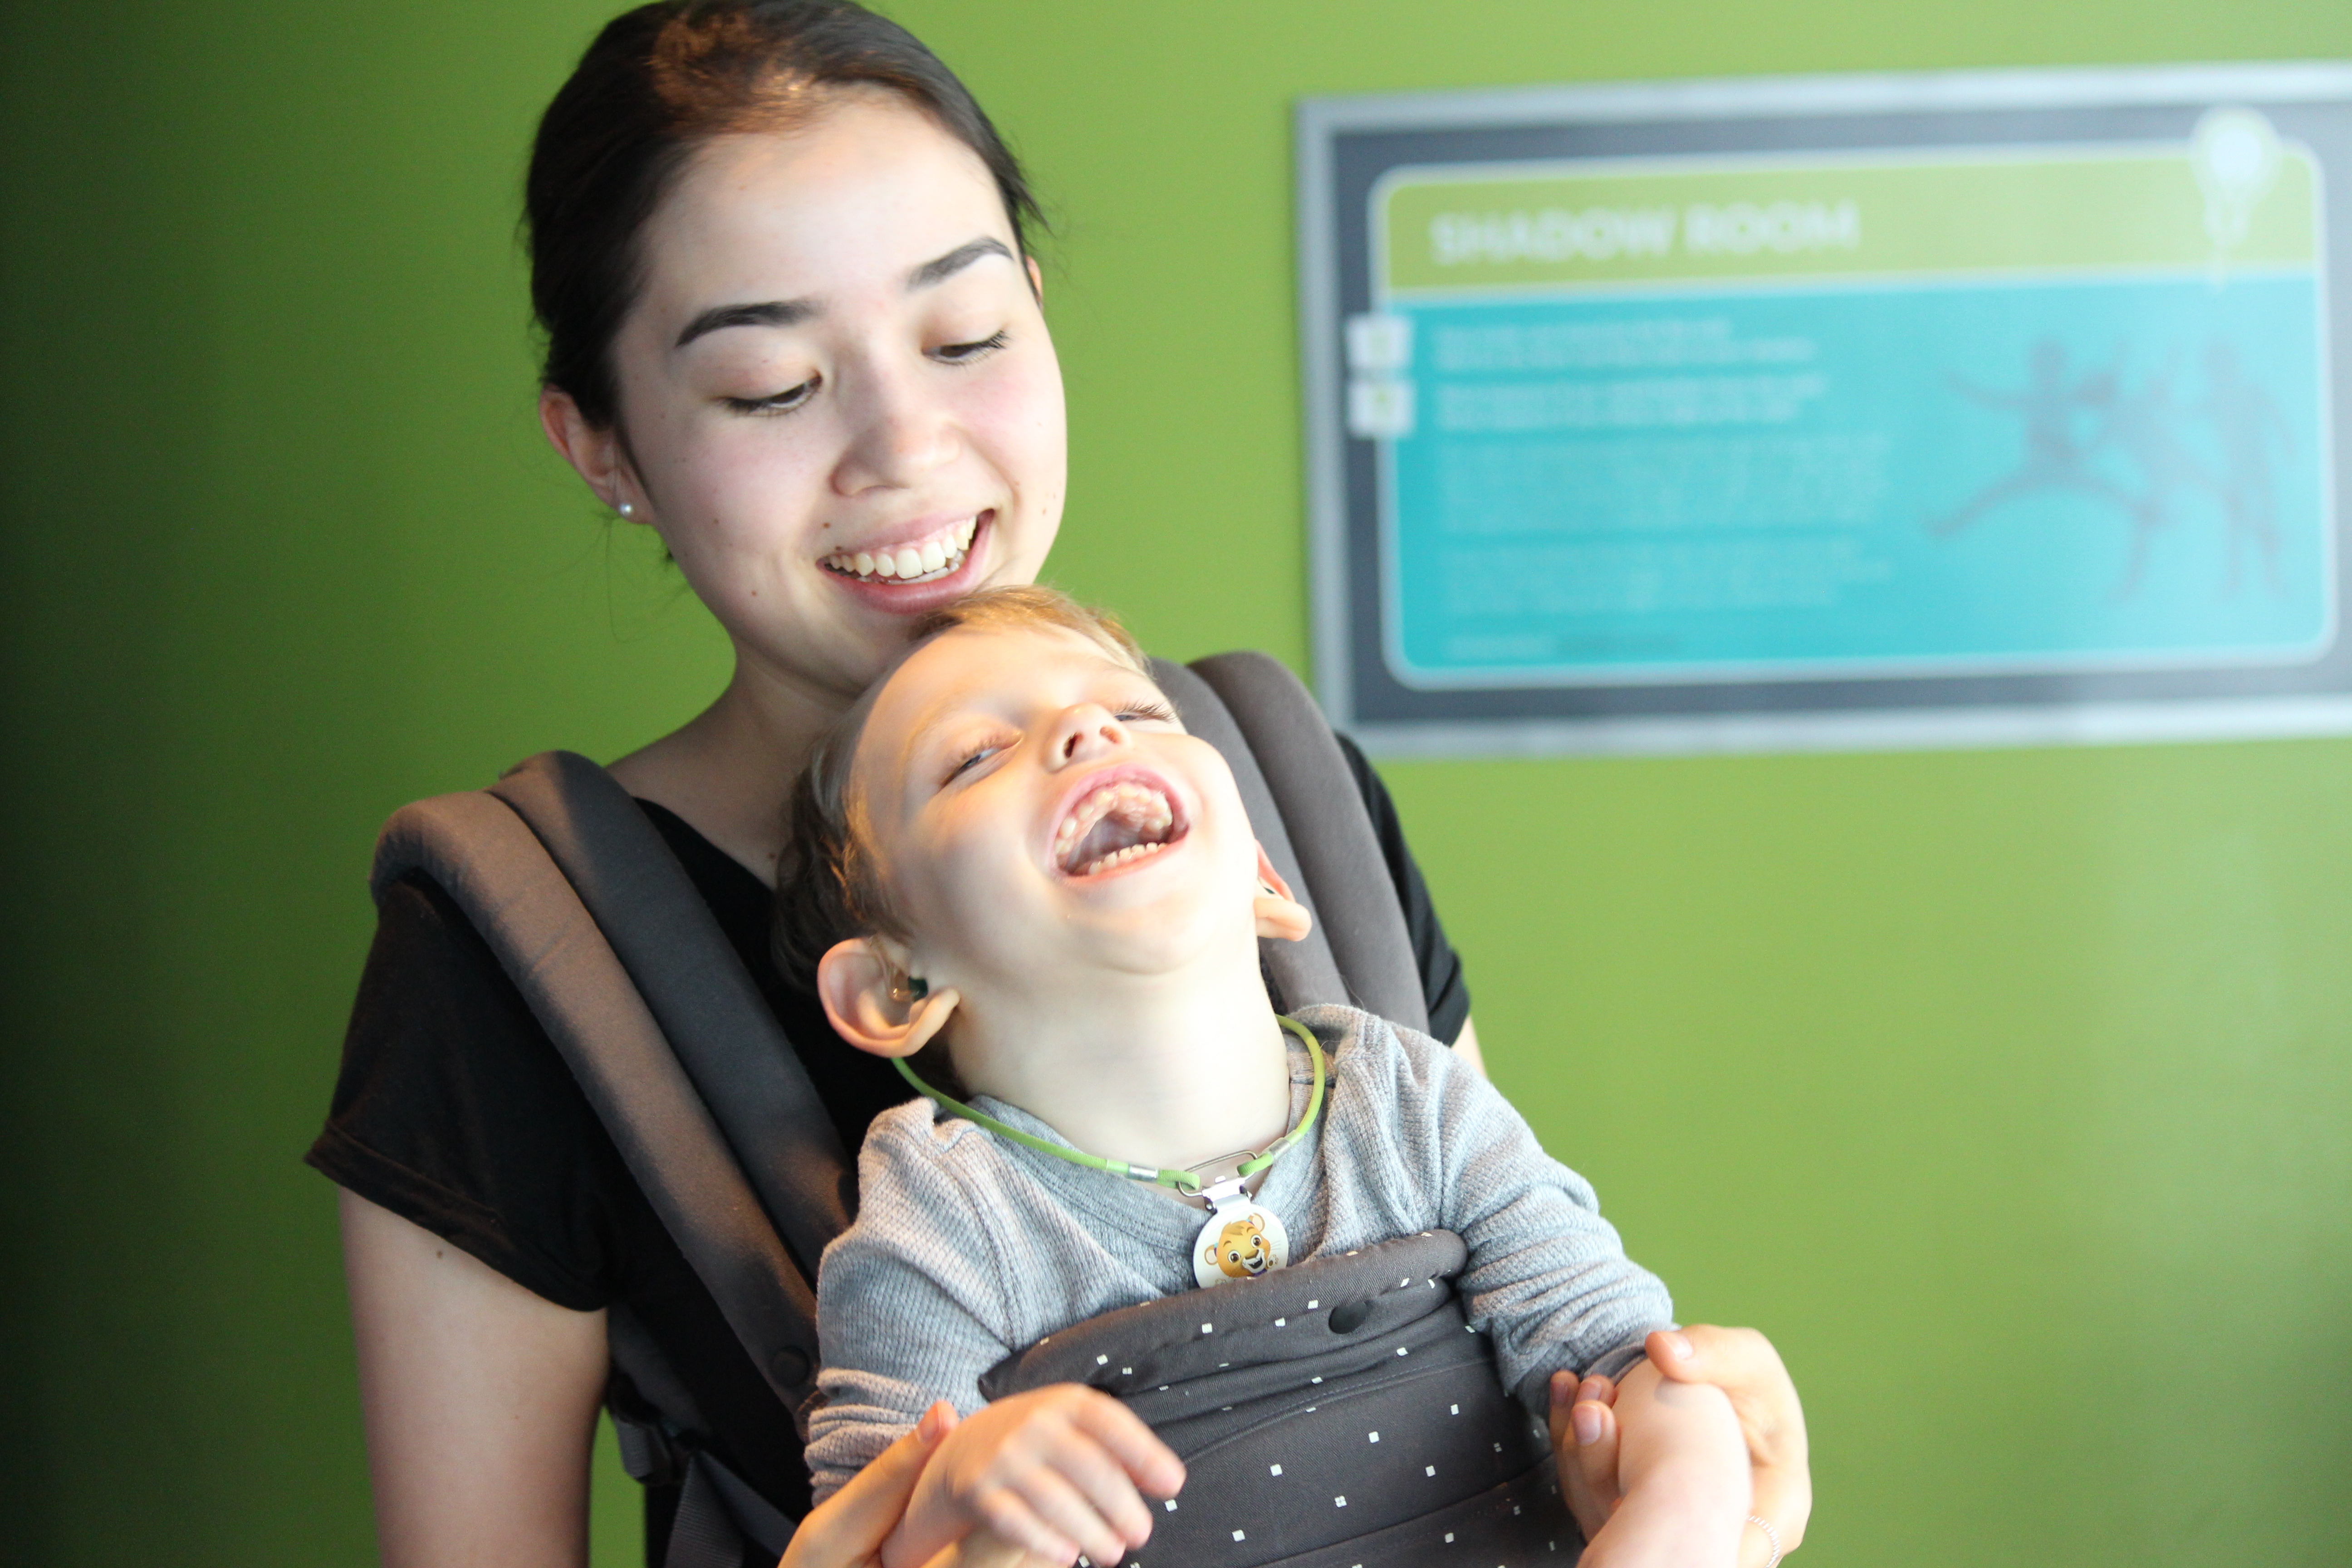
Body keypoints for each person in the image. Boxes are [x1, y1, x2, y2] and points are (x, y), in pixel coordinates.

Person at [309, 3, 1811, 1564]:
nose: (906, 441)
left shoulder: (1273, 782)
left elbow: (1542, 1338)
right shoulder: (515, 952)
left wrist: (1678, 1434)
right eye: (769, 384)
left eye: (965, 339)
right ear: (599, 442)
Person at [782, 585, 1757, 1568]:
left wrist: (1685, 1501)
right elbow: (869, 1529)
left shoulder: (1412, 1100)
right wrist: (955, 1495)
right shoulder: (943, 1222)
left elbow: (1632, 1361)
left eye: (1134, 711)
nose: (1085, 729)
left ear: (1264, 880)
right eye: (975, 757)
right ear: (893, 986)